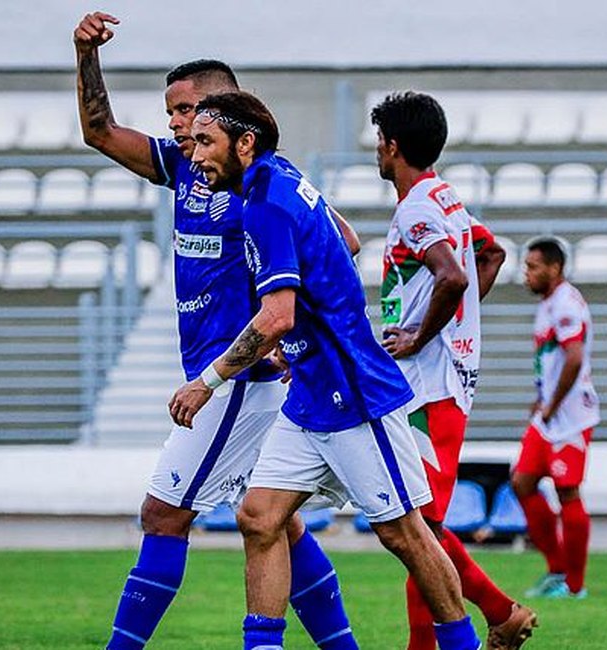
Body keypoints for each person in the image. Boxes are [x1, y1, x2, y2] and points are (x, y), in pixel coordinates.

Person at [73, 13, 359, 650]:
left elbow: (342, 241)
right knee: (277, 524)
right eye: (171, 114)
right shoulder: (184, 168)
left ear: (221, 110)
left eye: (183, 111)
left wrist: (291, 329)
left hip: (237, 378)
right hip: (232, 371)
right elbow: (99, 130)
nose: (174, 125)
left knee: (164, 514)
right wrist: (85, 53)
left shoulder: (261, 185)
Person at [172, 90, 483, 650]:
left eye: (204, 141)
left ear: (245, 143)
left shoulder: (263, 203)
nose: (193, 156)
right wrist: (298, 340)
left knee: (405, 534)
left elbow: (276, 313)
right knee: (260, 518)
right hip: (311, 392)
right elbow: (344, 240)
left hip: (354, 394)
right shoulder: (277, 179)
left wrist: (206, 381)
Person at [371, 91, 536, 650]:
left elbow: (454, 276)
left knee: (420, 530)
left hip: (427, 389)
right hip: (448, 379)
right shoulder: (446, 199)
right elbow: (489, 254)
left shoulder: (417, 205)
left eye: (379, 141)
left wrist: (422, 333)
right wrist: (456, 327)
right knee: (420, 525)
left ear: (392, 146)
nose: (377, 151)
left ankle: (488, 617)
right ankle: (498, 612)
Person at [509, 237, 599, 601]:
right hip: (550, 413)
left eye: (533, 267)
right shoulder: (549, 303)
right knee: (523, 482)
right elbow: (555, 361)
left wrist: (551, 404)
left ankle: (574, 585)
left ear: (555, 268)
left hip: (571, 416)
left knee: (567, 491)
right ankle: (556, 568)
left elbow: (574, 358)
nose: (526, 274)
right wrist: (540, 402)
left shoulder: (565, 304)